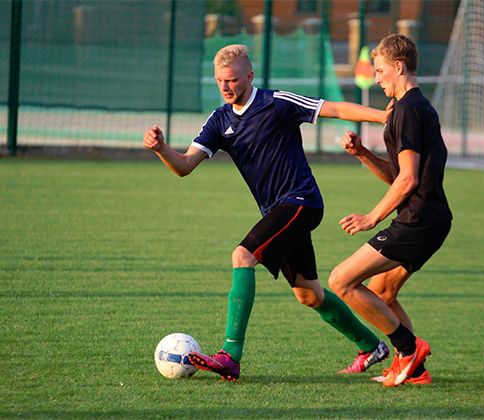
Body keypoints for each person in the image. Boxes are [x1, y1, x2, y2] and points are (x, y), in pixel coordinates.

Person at [143, 44, 391, 381]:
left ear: (249, 75)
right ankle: (370, 346)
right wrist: (161, 149)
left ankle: (230, 356)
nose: (226, 87)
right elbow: (184, 166)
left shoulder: (277, 103)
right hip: (278, 210)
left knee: (242, 256)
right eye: (219, 81)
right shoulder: (219, 120)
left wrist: (383, 116)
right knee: (309, 294)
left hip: (301, 201)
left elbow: (332, 108)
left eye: (231, 80)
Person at [328, 34, 453, 387]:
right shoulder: (404, 109)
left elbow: (408, 180)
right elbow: (397, 176)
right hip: (427, 217)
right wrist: (364, 154)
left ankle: (408, 349)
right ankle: (414, 369)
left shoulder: (410, 109)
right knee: (382, 293)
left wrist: (371, 218)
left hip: (419, 219)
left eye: (380, 70)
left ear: (399, 67)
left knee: (341, 280)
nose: (377, 76)